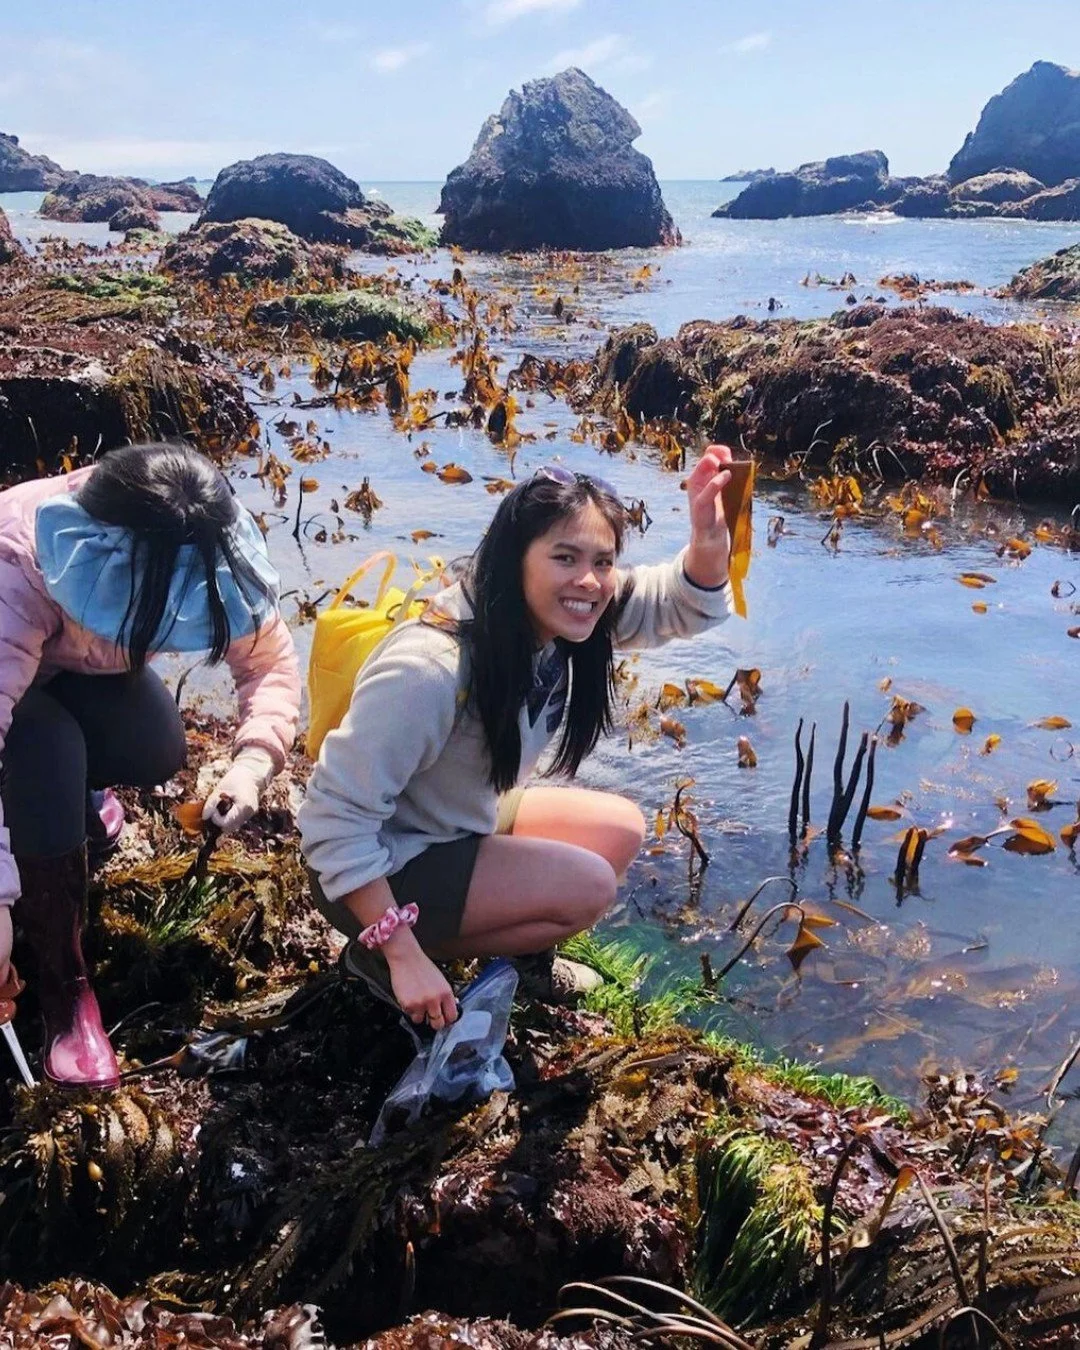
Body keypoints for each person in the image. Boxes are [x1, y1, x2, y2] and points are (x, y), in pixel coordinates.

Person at [300, 446, 736, 1033]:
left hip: (453, 819)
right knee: (588, 888)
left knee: (621, 831)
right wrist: (402, 954)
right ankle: (377, 958)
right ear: (515, 558)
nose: (589, 580)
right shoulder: (430, 668)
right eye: (565, 557)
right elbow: (331, 821)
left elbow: (680, 603)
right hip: (378, 868)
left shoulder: (558, 615)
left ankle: (519, 959)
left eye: (603, 562)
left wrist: (708, 540)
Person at [0, 442, 301, 1088]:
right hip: (9, 685)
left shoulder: (189, 532)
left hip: (61, 669)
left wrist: (252, 761)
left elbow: (270, 660)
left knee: (157, 745)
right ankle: (64, 990)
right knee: (43, 745)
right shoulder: (18, 565)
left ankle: (71, 805)